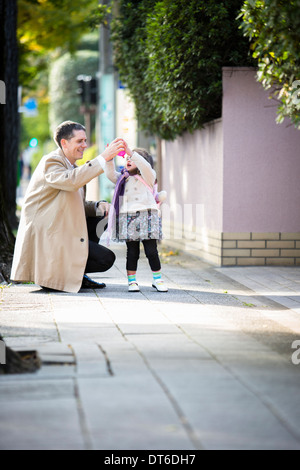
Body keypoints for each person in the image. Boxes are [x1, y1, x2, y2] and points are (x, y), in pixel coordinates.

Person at [10, 121, 125, 293]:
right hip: (48, 233)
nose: (85, 145)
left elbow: (72, 202)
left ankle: (76, 275)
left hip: (61, 228)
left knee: (102, 214)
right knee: (106, 259)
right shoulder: (51, 162)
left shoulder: (70, 166)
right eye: (80, 141)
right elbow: (71, 181)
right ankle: (54, 276)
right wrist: (102, 159)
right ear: (64, 143)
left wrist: (97, 206)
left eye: (85, 140)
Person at [104, 143, 168, 292]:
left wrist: (131, 153)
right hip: (128, 217)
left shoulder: (149, 176)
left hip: (148, 215)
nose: (128, 159)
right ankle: (132, 281)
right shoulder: (122, 178)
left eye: (131, 158)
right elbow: (109, 174)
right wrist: (109, 157)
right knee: (132, 252)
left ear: (140, 161)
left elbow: (145, 167)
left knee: (151, 250)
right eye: (126, 158)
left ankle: (158, 279)